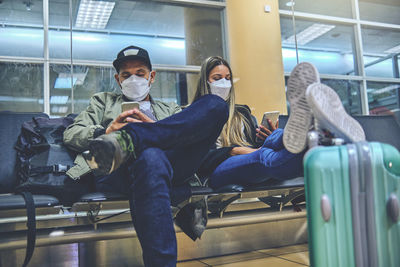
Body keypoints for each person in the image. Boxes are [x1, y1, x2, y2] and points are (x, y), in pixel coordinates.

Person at [63, 45, 229, 267]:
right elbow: (71, 133)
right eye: (126, 75)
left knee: (215, 104)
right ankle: (129, 140)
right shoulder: (102, 102)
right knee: (151, 157)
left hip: (171, 165)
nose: (133, 79)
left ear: (151, 77)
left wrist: (154, 130)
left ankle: (133, 137)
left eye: (140, 73)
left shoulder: (169, 109)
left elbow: (188, 137)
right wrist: (107, 131)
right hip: (117, 168)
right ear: (117, 79)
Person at [193, 57, 365, 189]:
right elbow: (196, 158)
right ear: (205, 82)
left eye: (228, 78)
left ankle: (315, 134)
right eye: (217, 78)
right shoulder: (192, 115)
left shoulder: (241, 112)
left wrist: (265, 137)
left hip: (250, 157)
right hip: (217, 171)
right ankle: (321, 135)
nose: (224, 83)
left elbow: (257, 144)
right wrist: (234, 150)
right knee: (263, 156)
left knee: (275, 139)